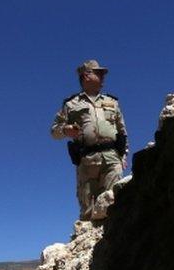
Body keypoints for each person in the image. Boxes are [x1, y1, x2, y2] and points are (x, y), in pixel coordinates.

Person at [50, 59, 128, 221]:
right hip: (86, 161)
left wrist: (124, 155)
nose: (103, 77)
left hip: (112, 157)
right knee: (88, 211)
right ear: (86, 76)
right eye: (99, 73)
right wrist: (65, 130)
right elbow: (54, 132)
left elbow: (122, 131)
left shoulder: (112, 102)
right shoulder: (71, 104)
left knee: (116, 202)